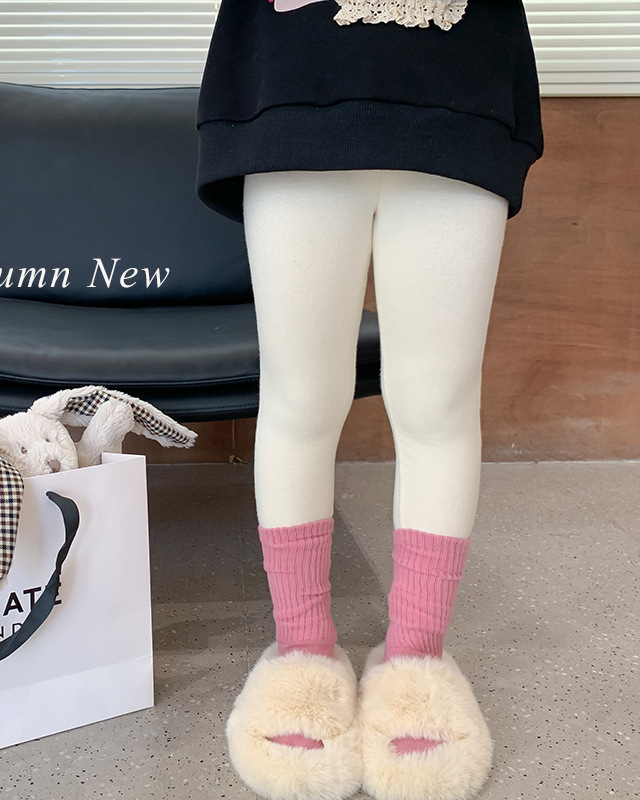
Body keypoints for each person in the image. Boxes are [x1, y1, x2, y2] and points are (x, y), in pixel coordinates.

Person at [195, 2, 544, 799]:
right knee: (299, 398)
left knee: (438, 404)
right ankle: (302, 651)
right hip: (293, 77)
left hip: (458, 79)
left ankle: (418, 657)